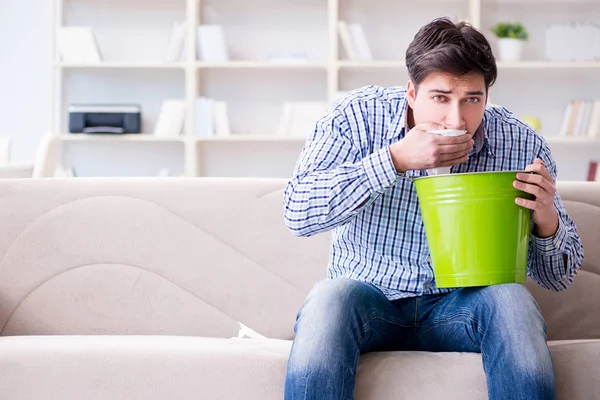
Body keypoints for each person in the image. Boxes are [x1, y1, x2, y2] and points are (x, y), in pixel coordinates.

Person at [282, 17, 584, 400]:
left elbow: (559, 277)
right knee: (329, 298)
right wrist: (393, 160)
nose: (457, 120)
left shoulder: (522, 143)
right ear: (411, 92)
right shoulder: (356, 118)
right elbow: (297, 213)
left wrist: (546, 221)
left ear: (487, 96)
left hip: (463, 308)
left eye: (472, 99)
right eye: (440, 98)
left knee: (512, 300)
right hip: (371, 301)